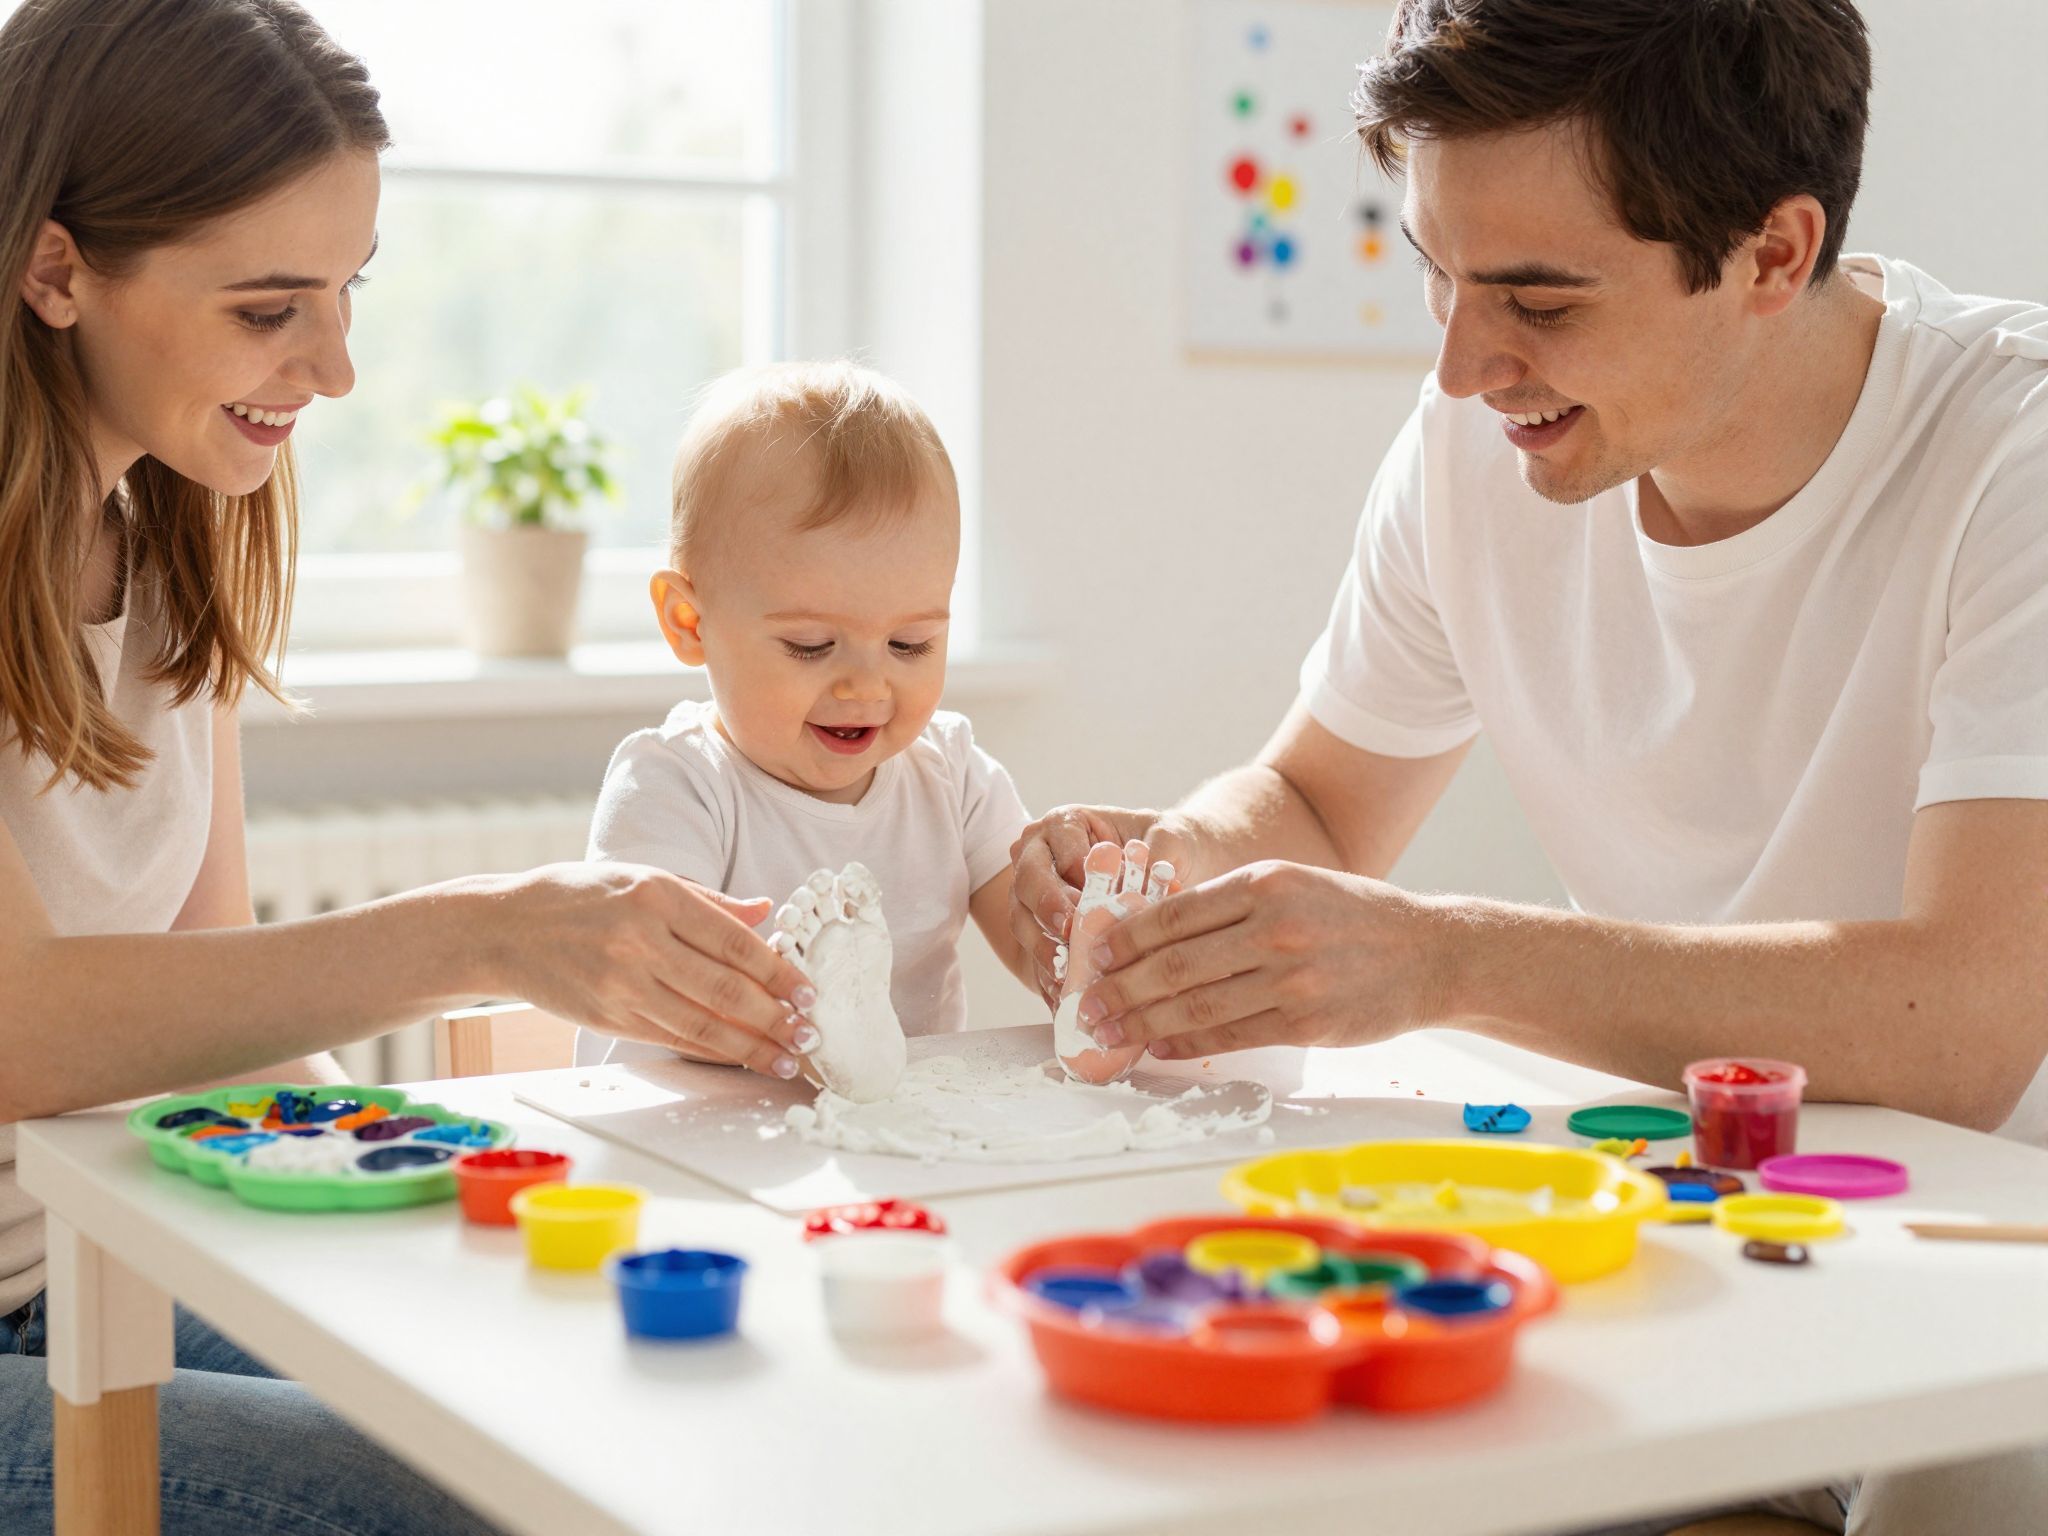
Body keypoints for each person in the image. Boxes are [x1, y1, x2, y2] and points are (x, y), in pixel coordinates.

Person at [1009, 2, 2047, 1531]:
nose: (1458, 366)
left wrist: (1442, 959)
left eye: (1537, 300)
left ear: (1772, 253)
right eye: (1434, 273)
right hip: (1691, 1222)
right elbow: (1316, 799)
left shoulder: (2009, 456)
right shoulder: (1481, 453)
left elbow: (1967, 1021)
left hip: (1992, 1255)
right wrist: (1174, 864)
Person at [0, 1, 812, 1529]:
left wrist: (487, 1194)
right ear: (57, 271)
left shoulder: (171, 536)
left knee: (578, 1421)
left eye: (348, 292)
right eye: (268, 310)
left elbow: (209, 1004)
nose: (336, 367)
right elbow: (25, 1031)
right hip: (63, 1283)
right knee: (458, 1499)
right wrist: (484, 936)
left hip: (96, 1259)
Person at [575, 361, 1033, 1083]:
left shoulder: (954, 778)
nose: (865, 684)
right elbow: (657, 992)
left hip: (893, 1156)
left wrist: (1091, 934)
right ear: (689, 621)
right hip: (685, 1148)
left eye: (911, 644)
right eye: (811, 647)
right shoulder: (675, 789)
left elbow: (1045, 950)